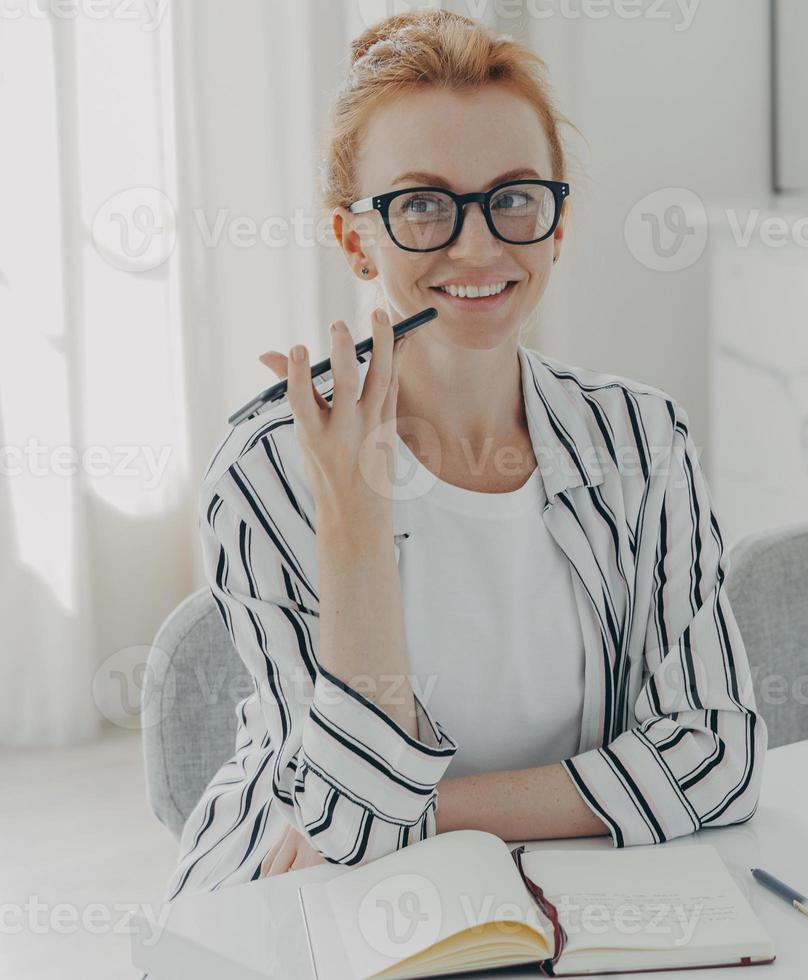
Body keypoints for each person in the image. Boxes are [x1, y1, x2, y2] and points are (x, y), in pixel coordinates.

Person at [164, 9, 765, 901]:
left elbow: (717, 756)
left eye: (515, 197)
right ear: (354, 236)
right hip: (296, 902)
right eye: (421, 206)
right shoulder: (269, 469)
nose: (477, 245)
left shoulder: (644, 442)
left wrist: (441, 811)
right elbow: (348, 826)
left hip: (569, 897)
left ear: (558, 222)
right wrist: (354, 523)